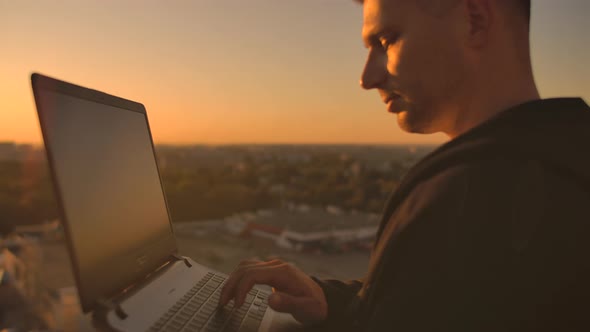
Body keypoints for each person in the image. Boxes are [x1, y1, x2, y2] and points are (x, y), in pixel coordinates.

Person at [220, 0, 590, 330]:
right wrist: (329, 300)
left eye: (387, 40)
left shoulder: (467, 194)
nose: (367, 78)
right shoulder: (569, 152)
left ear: (474, 20)